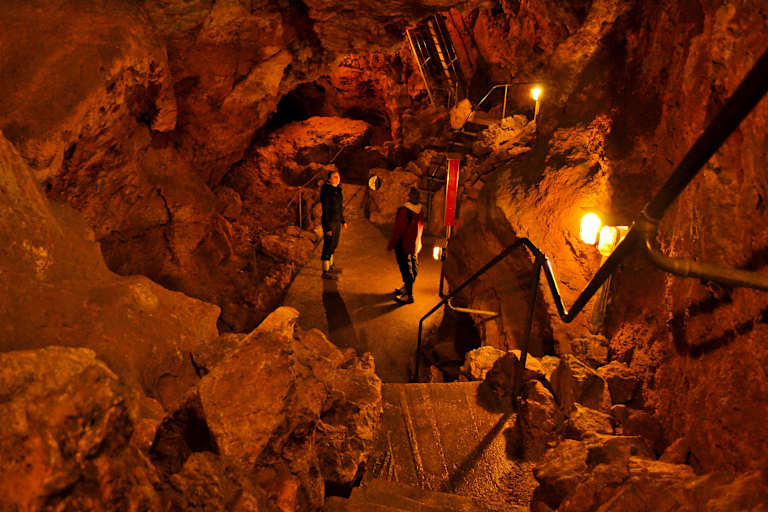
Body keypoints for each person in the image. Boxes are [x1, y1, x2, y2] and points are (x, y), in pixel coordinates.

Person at [387, 187, 424, 304]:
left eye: (405, 194)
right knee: (413, 267)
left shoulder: (405, 211)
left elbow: (399, 230)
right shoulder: (420, 210)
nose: (403, 196)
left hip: (403, 245)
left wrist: (391, 244)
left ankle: (409, 295)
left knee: (406, 269)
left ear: (408, 197)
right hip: (415, 244)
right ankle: (406, 288)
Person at [320, 170, 346, 280]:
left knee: (334, 243)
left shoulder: (338, 190)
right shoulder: (326, 191)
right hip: (329, 221)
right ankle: (325, 271)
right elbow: (325, 209)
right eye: (334, 177)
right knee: (328, 244)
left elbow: (339, 207)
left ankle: (331, 265)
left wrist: (343, 220)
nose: (337, 179)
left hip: (336, 221)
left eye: (338, 177)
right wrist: (327, 227)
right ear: (329, 179)